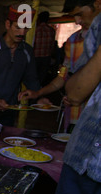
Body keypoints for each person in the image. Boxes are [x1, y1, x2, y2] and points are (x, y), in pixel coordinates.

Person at [44, 2, 101, 194]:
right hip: (80, 156)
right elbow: (75, 91)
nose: (78, 20)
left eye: (81, 13)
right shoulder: (94, 32)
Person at [19, 0, 100, 131]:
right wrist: (38, 93)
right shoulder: (73, 41)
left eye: (80, 14)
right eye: (75, 16)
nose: (77, 21)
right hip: (76, 116)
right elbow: (63, 76)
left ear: (98, 5)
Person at [0, 5, 41, 126]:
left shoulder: (27, 51)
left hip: (11, 109)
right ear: (7, 24)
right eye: (18, 27)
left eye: (26, 28)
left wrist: (40, 97)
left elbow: (31, 79)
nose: (22, 33)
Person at [33, 11, 56, 85]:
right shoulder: (51, 30)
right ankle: (38, 91)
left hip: (35, 57)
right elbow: (52, 45)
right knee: (41, 77)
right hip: (46, 57)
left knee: (32, 76)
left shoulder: (35, 30)